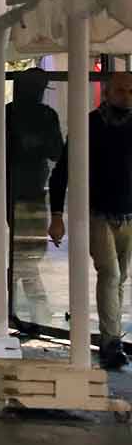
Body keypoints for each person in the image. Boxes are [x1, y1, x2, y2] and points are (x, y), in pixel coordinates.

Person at [48, 71, 132, 369]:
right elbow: (62, 173)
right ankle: (111, 341)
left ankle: (112, 336)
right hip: (96, 214)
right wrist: (57, 215)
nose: (127, 96)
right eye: (121, 90)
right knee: (110, 274)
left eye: (131, 90)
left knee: (119, 277)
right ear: (106, 93)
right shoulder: (89, 125)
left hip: (128, 214)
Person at [0, 67, 63, 317]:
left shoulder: (2, 114)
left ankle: (6, 294)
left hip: (5, 191)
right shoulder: (47, 116)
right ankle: (35, 309)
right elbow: (57, 152)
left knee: (23, 252)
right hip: (33, 192)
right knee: (30, 253)